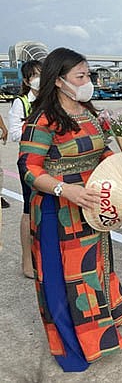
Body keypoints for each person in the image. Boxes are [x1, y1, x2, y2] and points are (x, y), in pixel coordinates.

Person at [18, 48, 122, 372]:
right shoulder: (42, 120)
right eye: (80, 77)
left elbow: (102, 150)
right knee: (60, 279)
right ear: (58, 81)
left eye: (88, 75)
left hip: (91, 209)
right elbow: (29, 168)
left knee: (92, 271)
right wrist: (64, 189)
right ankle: (70, 346)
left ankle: (99, 330)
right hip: (58, 211)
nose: (87, 83)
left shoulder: (88, 112)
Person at [9, 60, 42, 278]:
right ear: (26, 80)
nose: (39, 79)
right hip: (30, 161)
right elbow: (14, 134)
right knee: (29, 210)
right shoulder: (21, 103)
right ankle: (27, 261)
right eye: (34, 75)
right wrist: (37, 129)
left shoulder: (53, 100)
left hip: (53, 161)